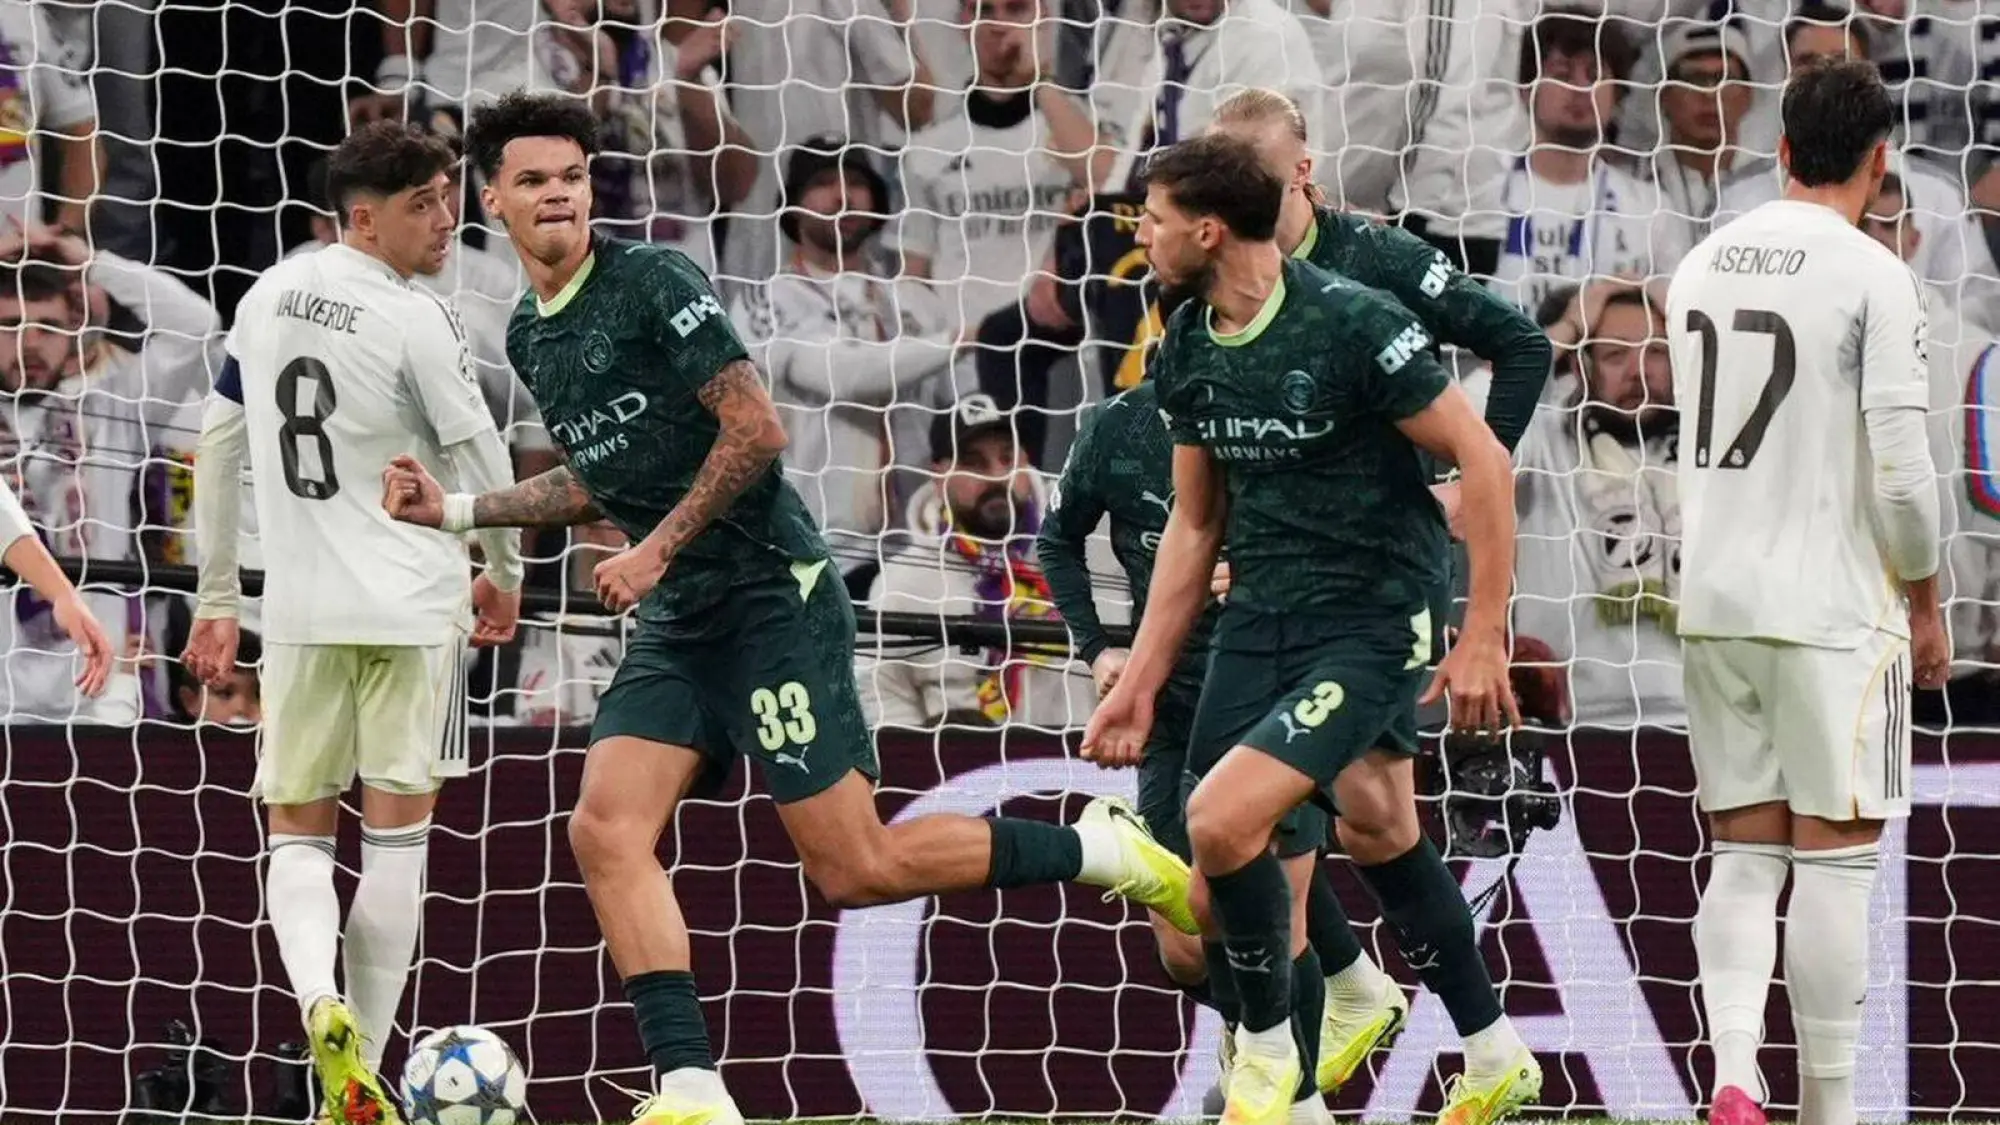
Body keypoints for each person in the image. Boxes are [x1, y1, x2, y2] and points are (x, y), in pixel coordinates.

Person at [382, 90, 1196, 1125]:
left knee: (855, 869)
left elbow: (756, 430)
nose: (557, 195)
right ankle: (689, 1086)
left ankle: (1103, 852)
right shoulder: (530, 335)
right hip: (684, 621)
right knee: (603, 830)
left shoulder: (653, 280)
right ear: (490, 199)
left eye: (574, 177)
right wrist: (456, 509)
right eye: (534, 180)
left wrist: (655, 548)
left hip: (773, 596)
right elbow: (600, 474)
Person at [1038, 84, 1555, 1109]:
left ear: (1208, 225)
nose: (1136, 235)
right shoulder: (1182, 340)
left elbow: (1484, 460)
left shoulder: (1359, 312)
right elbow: (1192, 525)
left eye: (1149, 219)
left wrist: (1481, 635)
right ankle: (1484, 1050)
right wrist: (1136, 679)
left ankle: (1274, 1061)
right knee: (1368, 829)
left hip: (1369, 617)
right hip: (1258, 613)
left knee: (1224, 830)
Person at [182, 120, 527, 1125]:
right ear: (363, 218)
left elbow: (218, 449)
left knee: (294, 838)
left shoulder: (263, 298)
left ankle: (319, 1005)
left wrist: (214, 599)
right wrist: (502, 569)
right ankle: (359, 1068)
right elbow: (483, 458)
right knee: (397, 849)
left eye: (449, 195)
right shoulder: (414, 316)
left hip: (297, 617)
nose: (446, 217)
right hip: (417, 613)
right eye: (423, 203)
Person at [1665, 58, 1950, 1125]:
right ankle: (1827, 1107)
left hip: (1715, 608)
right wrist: (1923, 605)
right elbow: (1903, 474)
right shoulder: (1877, 277)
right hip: (1833, 617)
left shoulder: (1697, 265)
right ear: (1880, 167)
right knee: (1835, 869)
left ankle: (1732, 1076)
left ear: (1779, 148)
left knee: (1741, 854)